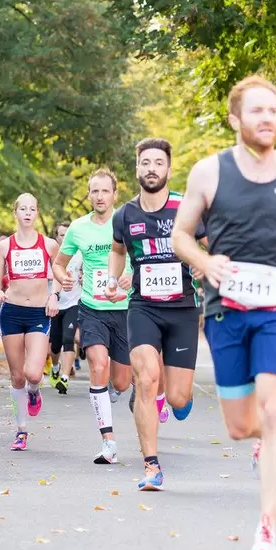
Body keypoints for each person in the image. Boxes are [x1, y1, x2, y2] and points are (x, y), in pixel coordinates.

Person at [172, 74, 276, 550]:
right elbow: (181, 235)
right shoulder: (209, 173)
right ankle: (259, 439)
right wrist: (204, 262)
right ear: (235, 119)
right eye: (257, 111)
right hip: (227, 309)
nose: (267, 119)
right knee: (241, 425)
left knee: (274, 409)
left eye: (273, 110)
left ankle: (267, 527)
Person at [107, 138, 205, 491]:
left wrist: (204, 266)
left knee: (178, 397)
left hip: (182, 309)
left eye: (158, 163)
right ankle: (151, 465)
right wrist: (112, 277)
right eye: (145, 162)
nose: (151, 168)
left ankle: (181, 396)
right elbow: (118, 252)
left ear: (168, 169)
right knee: (146, 379)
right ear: (137, 169)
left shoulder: (185, 208)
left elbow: (208, 246)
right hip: (143, 307)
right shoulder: (125, 215)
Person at [52, 169, 133, 464]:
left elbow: (139, 259)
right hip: (92, 308)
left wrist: (128, 279)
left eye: (105, 191)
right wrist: (64, 278)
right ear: (89, 195)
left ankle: (119, 387)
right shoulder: (77, 228)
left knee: (122, 381)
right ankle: (108, 441)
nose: (99, 197)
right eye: (94, 191)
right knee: (98, 365)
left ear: (114, 195)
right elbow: (59, 263)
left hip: (124, 309)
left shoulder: (125, 221)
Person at [0, 193, 60, 451]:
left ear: (37, 213)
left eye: (32, 208)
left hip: (38, 314)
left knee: (32, 373)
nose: (28, 213)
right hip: (11, 313)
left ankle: (35, 390)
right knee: (17, 376)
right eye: (23, 208)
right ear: (15, 212)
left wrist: (55, 295)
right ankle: (21, 431)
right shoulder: (4, 247)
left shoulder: (49, 245)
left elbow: (61, 273)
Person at [49, 221, 82, 395]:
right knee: (54, 345)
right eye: (61, 234)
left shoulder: (80, 253)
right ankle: (55, 368)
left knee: (68, 338)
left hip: (73, 302)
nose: (65, 237)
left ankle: (65, 378)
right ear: (56, 237)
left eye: (68, 233)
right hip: (55, 304)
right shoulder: (51, 254)